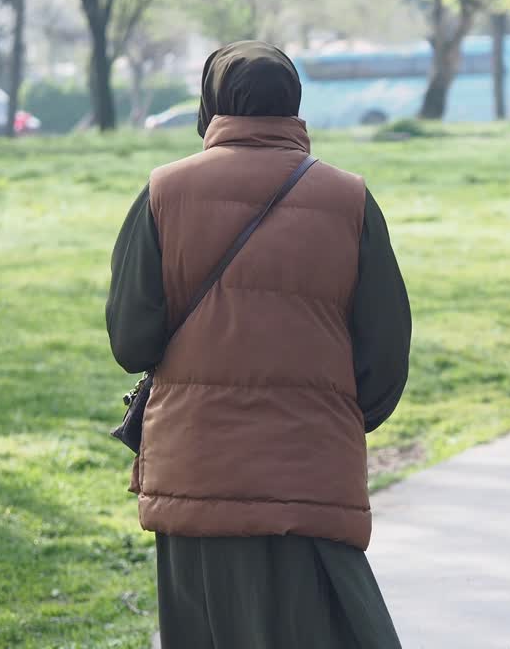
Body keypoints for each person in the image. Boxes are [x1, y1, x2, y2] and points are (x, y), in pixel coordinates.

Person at [105, 41, 412, 648]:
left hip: (197, 466)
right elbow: (384, 354)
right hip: (312, 468)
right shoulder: (350, 200)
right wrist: (335, 417)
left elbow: (133, 341)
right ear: (293, 102)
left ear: (211, 102)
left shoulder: (163, 193)